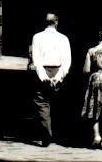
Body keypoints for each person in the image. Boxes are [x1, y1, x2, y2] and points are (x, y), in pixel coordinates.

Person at [30, 13, 71, 146]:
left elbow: (36, 60)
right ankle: (60, 134)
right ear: (56, 22)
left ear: (44, 22)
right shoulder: (63, 38)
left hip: (43, 70)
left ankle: (46, 135)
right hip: (58, 70)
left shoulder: (37, 37)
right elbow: (67, 60)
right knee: (59, 102)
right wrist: (59, 76)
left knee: (42, 102)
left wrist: (44, 77)